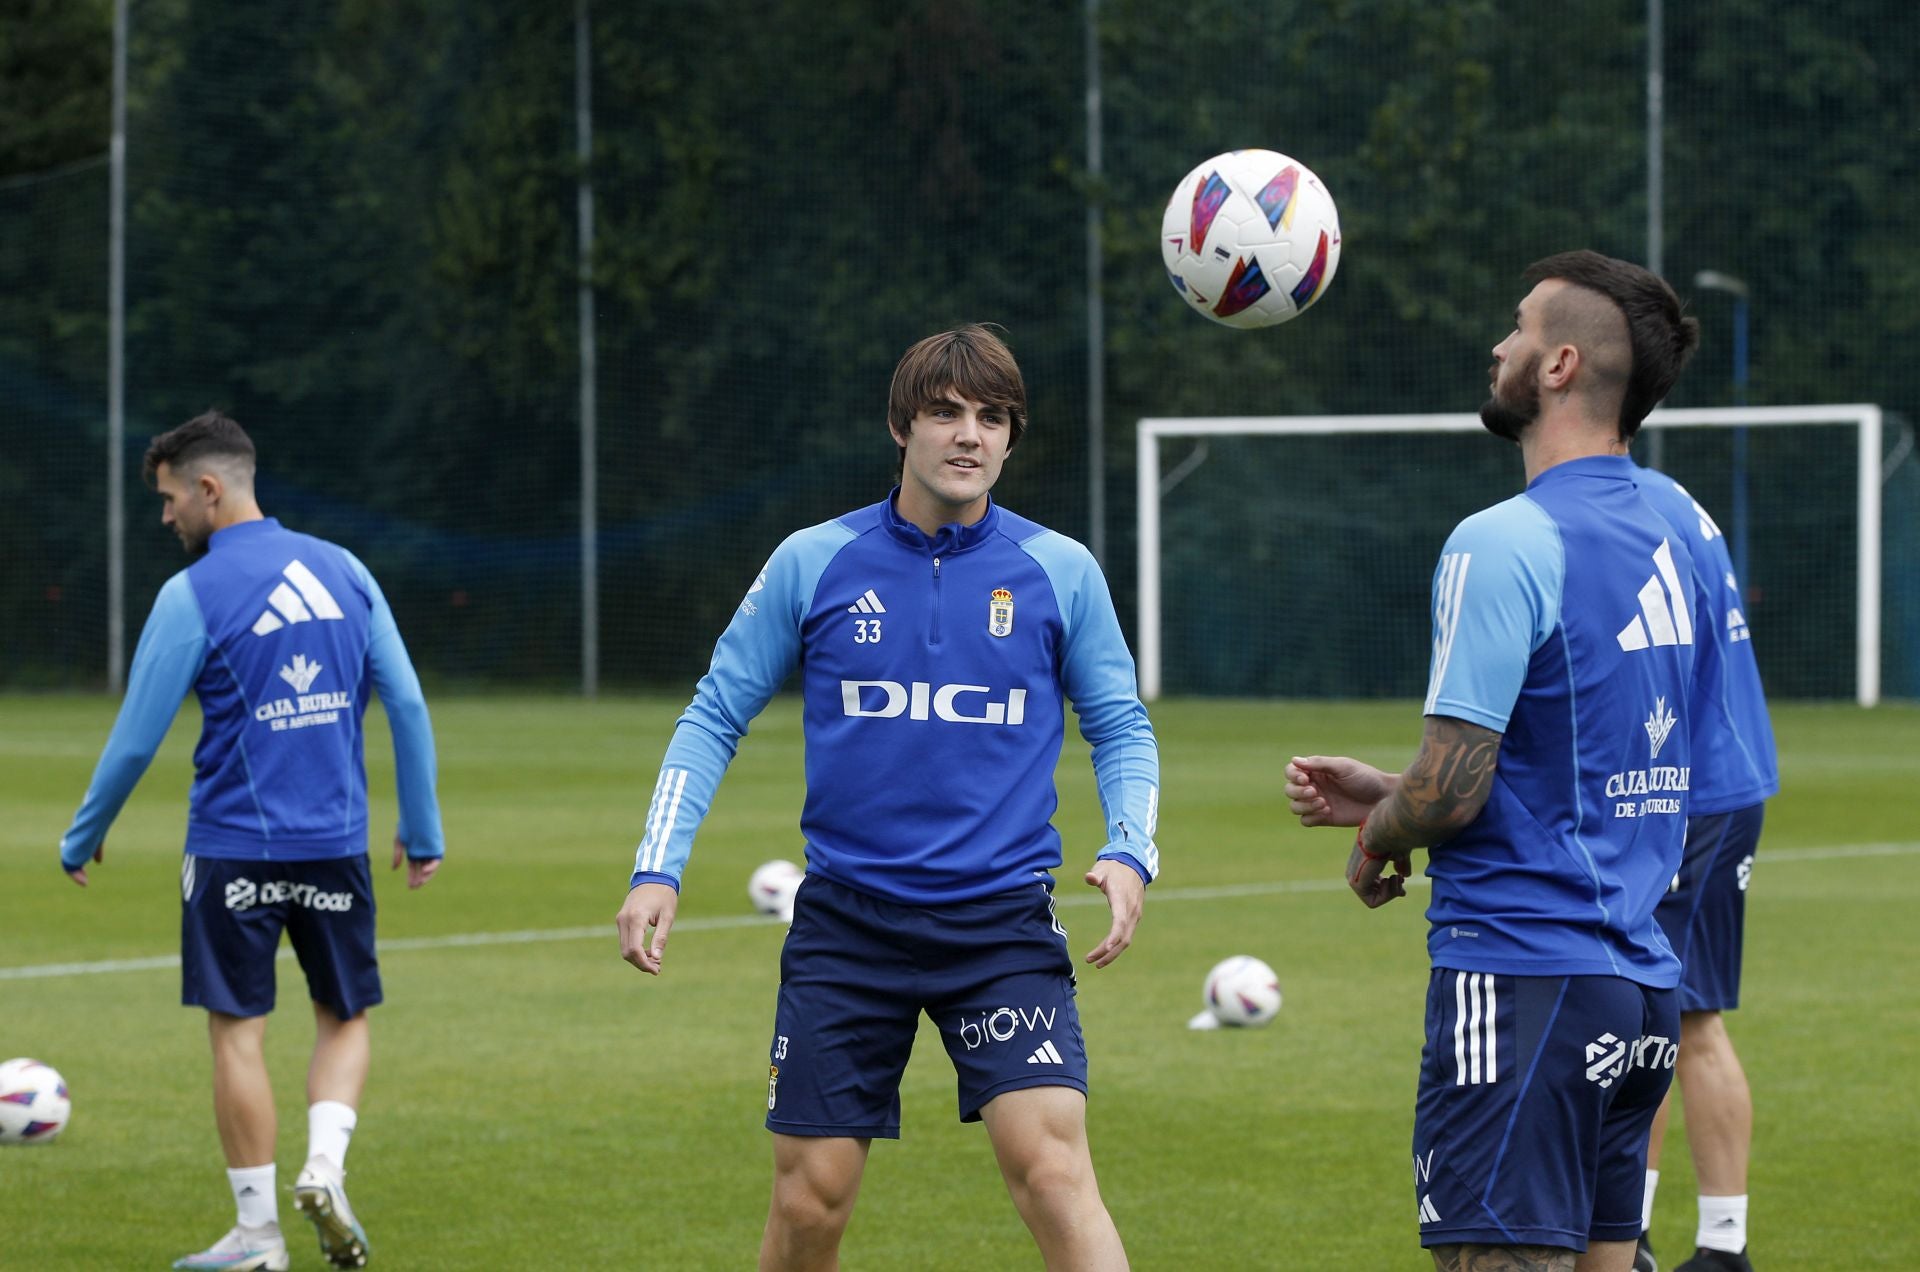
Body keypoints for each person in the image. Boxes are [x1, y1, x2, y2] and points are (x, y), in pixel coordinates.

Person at [616, 323, 1160, 1271]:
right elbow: (712, 717)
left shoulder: (1059, 571)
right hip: (849, 929)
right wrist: (657, 867)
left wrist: (1129, 848)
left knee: (1054, 1175)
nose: (969, 435)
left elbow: (1122, 727)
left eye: (993, 418)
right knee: (810, 1201)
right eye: (946, 413)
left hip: (999, 929)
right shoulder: (813, 560)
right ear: (901, 426)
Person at [1284, 251, 1702, 1272]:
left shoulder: (1502, 540)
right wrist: (1399, 791)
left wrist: (1386, 830)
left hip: (1522, 975)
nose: (1498, 345)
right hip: (1640, 987)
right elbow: (1579, 756)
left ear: (1558, 365)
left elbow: (1453, 786)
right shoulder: (1679, 526)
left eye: (1515, 329)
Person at [59, 411, 445, 1272]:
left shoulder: (190, 595)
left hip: (233, 846)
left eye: (167, 500)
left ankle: (258, 1237)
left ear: (207, 489)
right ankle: (325, 1168)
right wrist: (420, 829)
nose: (165, 518)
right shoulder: (345, 570)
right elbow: (409, 705)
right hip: (337, 846)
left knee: (239, 1033)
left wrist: (83, 835)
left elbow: (134, 737)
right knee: (344, 1017)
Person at [1630, 469, 1778, 1272]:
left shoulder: (1628, 507)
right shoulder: (1667, 492)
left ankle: (1659, 1240)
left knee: (1669, 1013)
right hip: (1717, 778)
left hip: (1691, 789)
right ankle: (1707, 1244)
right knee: (1680, 1013)